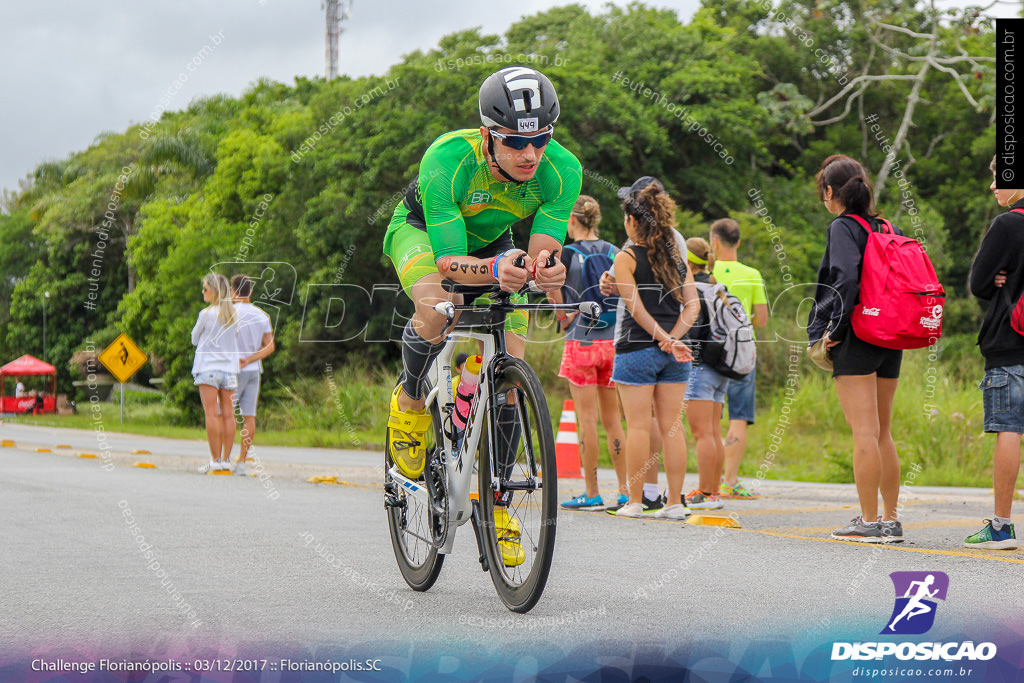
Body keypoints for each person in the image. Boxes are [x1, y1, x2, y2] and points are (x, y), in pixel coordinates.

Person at [382, 67, 580, 565]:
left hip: (494, 242)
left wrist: (547, 270)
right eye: (515, 141)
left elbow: (542, 251)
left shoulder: (563, 170)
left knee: (512, 368)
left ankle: (497, 504)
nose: (530, 154)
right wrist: (494, 269)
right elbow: (449, 264)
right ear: (489, 135)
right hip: (425, 234)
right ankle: (409, 405)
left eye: (540, 139)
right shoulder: (449, 157)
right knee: (438, 308)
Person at [807, 154, 903, 543]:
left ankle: (866, 521)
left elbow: (845, 280)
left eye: (822, 193)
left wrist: (835, 329)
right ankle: (891, 520)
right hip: (891, 334)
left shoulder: (843, 227)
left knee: (864, 432)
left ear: (830, 192)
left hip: (859, 334)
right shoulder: (885, 225)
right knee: (883, 432)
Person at [610, 177, 699, 520]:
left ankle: (634, 500)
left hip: (636, 348)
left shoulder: (626, 257)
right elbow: (692, 306)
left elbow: (636, 309)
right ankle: (674, 502)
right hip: (677, 353)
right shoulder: (676, 256)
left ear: (633, 220)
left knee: (638, 426)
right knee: (672, 426)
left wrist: (661, 337)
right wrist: (674, 338)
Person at [547, 195, 628, 510]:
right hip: (614, 344)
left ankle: (592, 492)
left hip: (580, 341)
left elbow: (552, 287)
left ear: (573, 221)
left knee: (587, 421)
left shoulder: (566, 253)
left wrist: (562, 317)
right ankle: (624, 491)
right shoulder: (614, 251)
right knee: (614, 421)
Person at [963, 156, 1024, 550]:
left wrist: (1000, 277)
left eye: (997, 180)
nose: (993, 188)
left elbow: (979, 283)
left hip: (1010, 342)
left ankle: (1002, 526)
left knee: (1009, 428)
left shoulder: (1008, 224)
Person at [709, 218, 769, 500]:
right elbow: (763, 319)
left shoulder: (708, 271)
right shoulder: (753, 274)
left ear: (714, 242)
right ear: (739, 242)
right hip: (743, 350)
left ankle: (708, 481)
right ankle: (730, 481)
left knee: (710, 415)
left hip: (710, 348)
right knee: (739, 416)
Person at [681, 237, 729, 511]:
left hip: (699, 366)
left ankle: (705, 492)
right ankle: (714, 491)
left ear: (687, 261)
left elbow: (693, 332)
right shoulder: (716, 286)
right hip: (721, 367)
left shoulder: (693, 290)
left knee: (701, 433)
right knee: (713, 431)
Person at [192, 273, 240, 474]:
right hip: (229, 370)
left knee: (211, 414)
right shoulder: (233, 315)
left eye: (205, 288)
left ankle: (215, 459)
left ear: (214, 291)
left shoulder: (206, 314)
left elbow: (194, 339)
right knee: (228, 415)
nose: (203, 292)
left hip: (208, 369)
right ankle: (227, 460)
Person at [230, 274, 275, 477]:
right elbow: (270, 346)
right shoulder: (262, 315)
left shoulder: (228, 313)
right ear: (251, 291)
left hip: (232, 370)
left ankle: (222, 458)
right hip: (253, 370)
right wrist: (251, 358)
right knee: (249, 416)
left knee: (226, 414)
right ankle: (241, 461)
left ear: (233, 291)